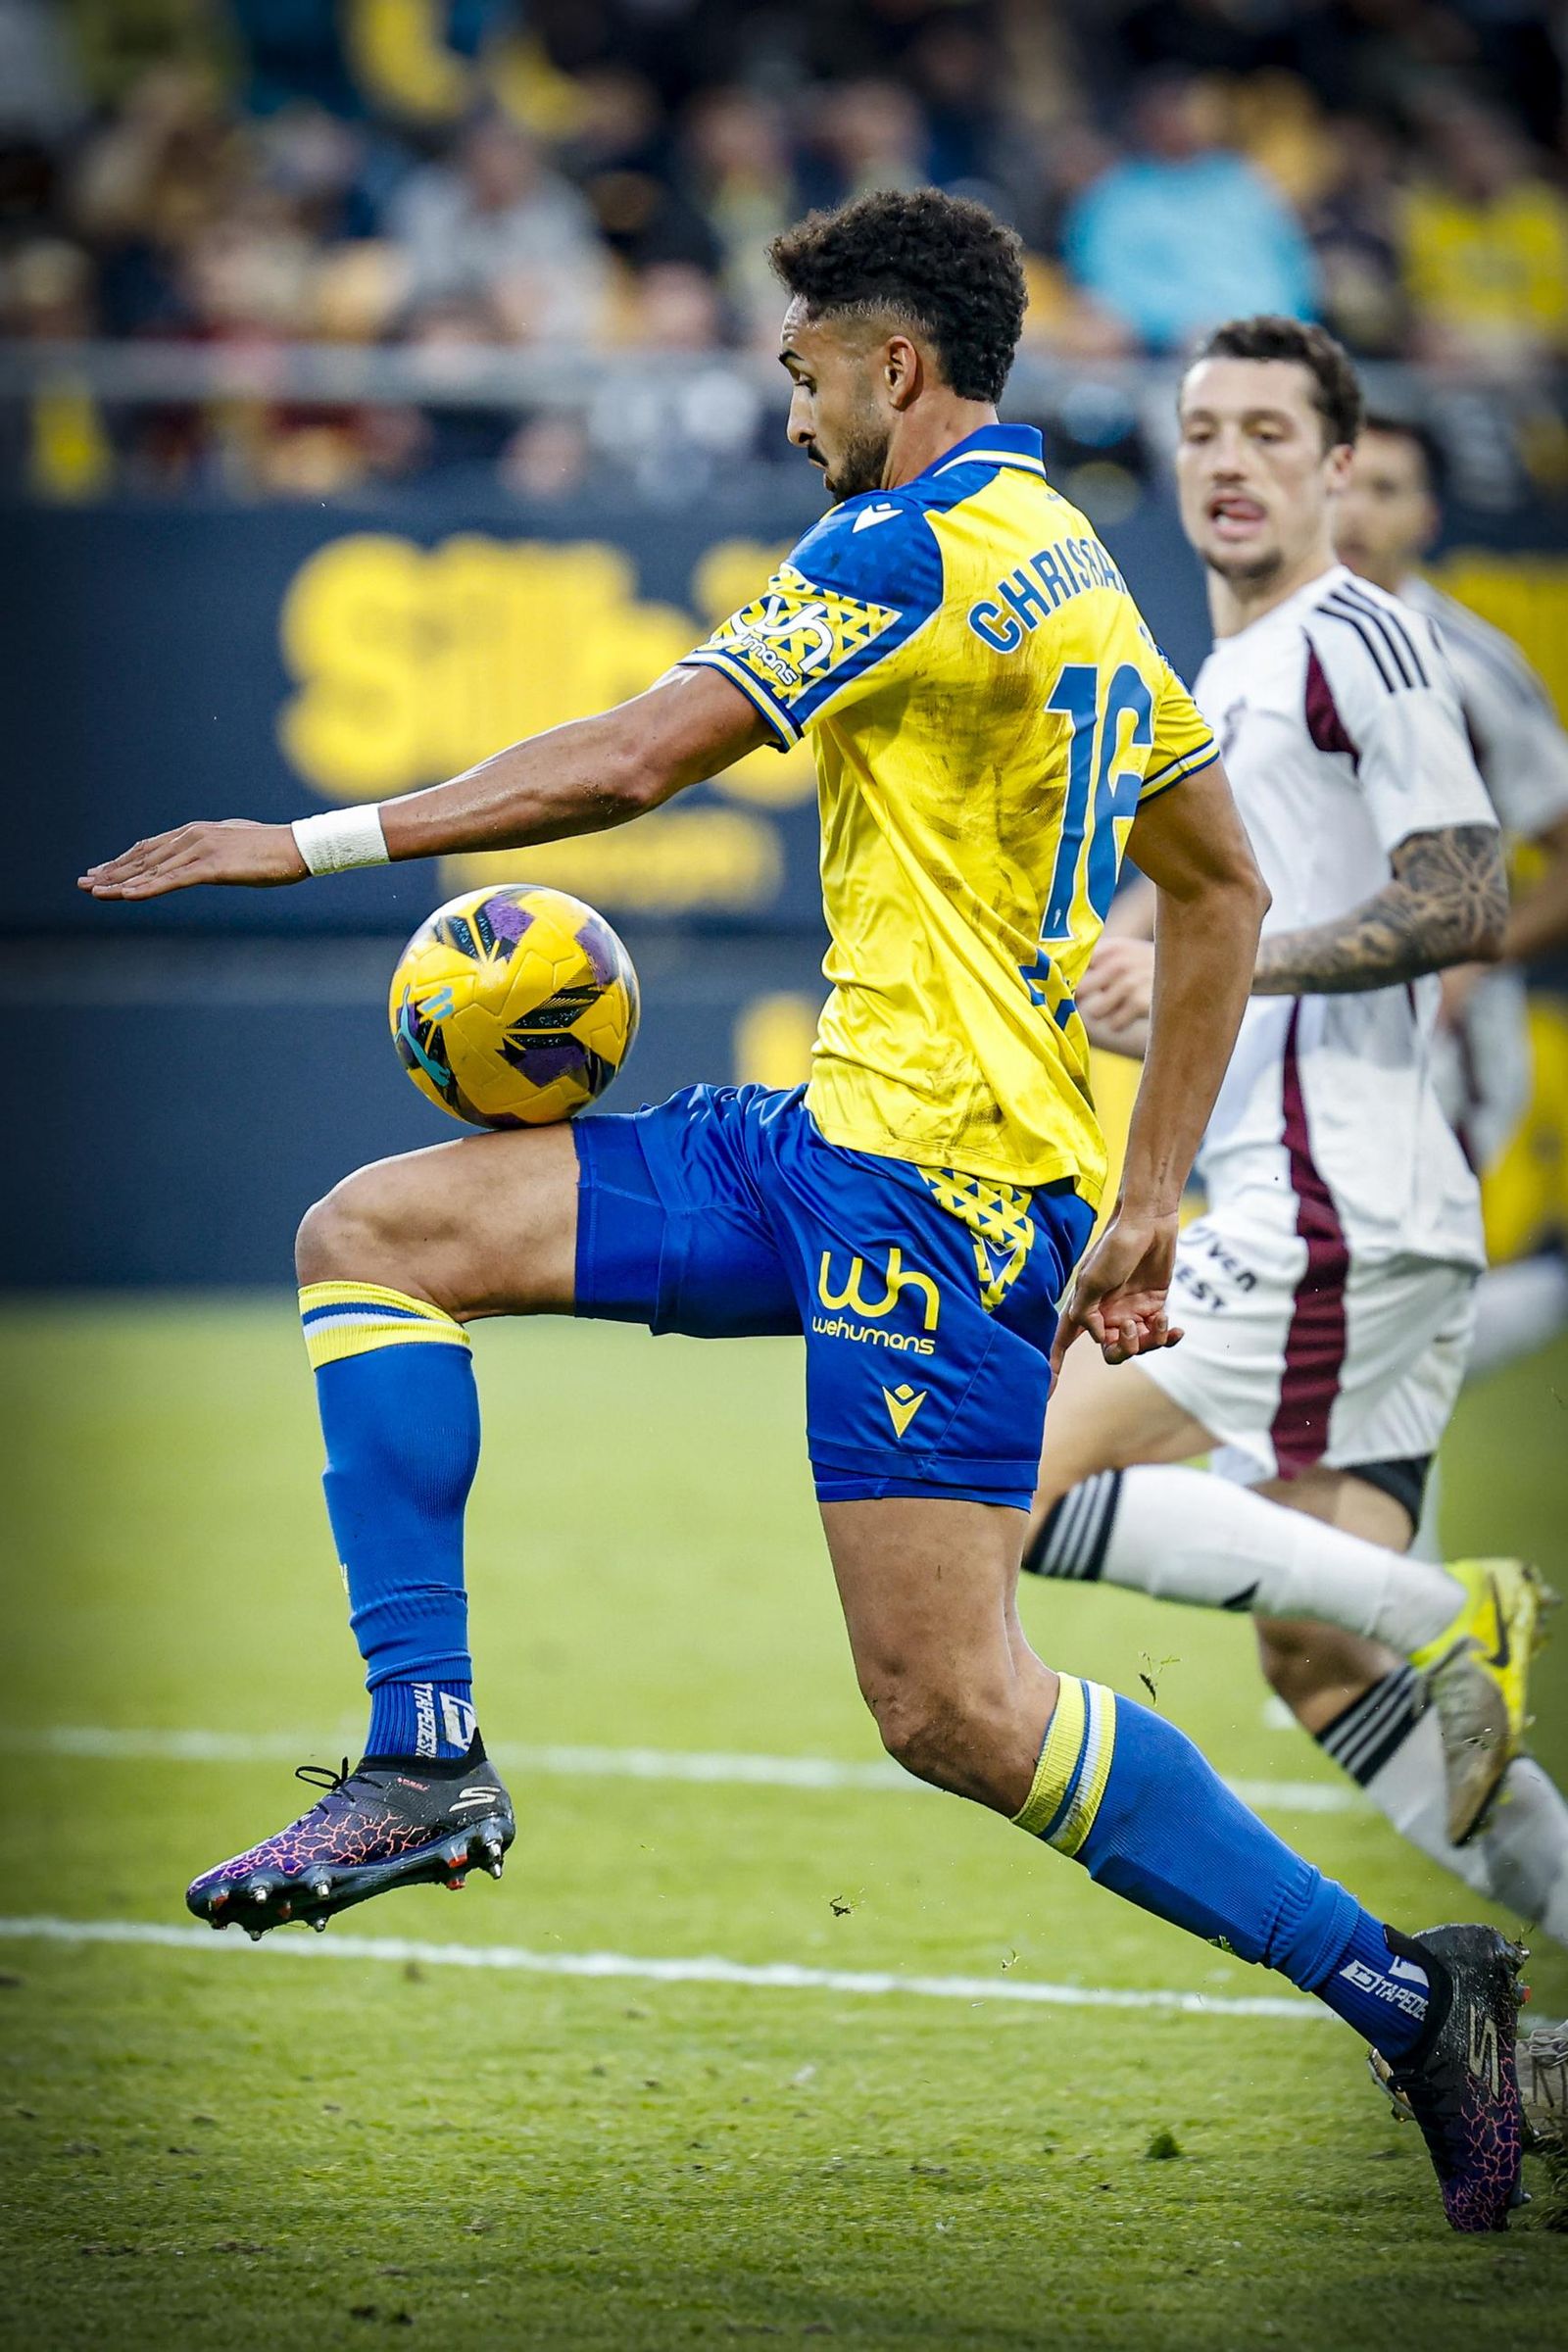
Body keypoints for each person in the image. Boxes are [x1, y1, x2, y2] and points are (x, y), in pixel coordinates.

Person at [81, 195, 1524, 2230]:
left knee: (953, 1707)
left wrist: (307, 839)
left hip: (925, 1212)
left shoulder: (912, 542)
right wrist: (1144, 1181)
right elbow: (1212, 889)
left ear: (895, 370)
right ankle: (423, 1755)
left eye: (803, 372)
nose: (789, 411)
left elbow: (637, 757)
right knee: (374, 1234)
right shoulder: (1078, 572)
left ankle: (1403, 1992)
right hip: (832, 1143)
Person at [1020, 317, 1566, 1955]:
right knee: (1321, 1662)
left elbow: (1463, 894)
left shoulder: (1361, 639)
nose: (1230, 462)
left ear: (1339, 471)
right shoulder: (1231, 676)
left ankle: (1453, 1609)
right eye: (1204, 433)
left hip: (1332, 1190)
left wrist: (1226, 960)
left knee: (1005, 1483)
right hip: (1355, 1201)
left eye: (1270, 433)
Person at [1335, 415, 1568, 1378]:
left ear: (1426, 517)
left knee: (1374, 1337)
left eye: (1385, 490)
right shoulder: (1275, 645)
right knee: (1334, 1334)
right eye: (1343, 481)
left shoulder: (1467, 665)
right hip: (1298, 1024)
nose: (1355, 509)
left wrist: (1470, 956)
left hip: (1436, 1046)